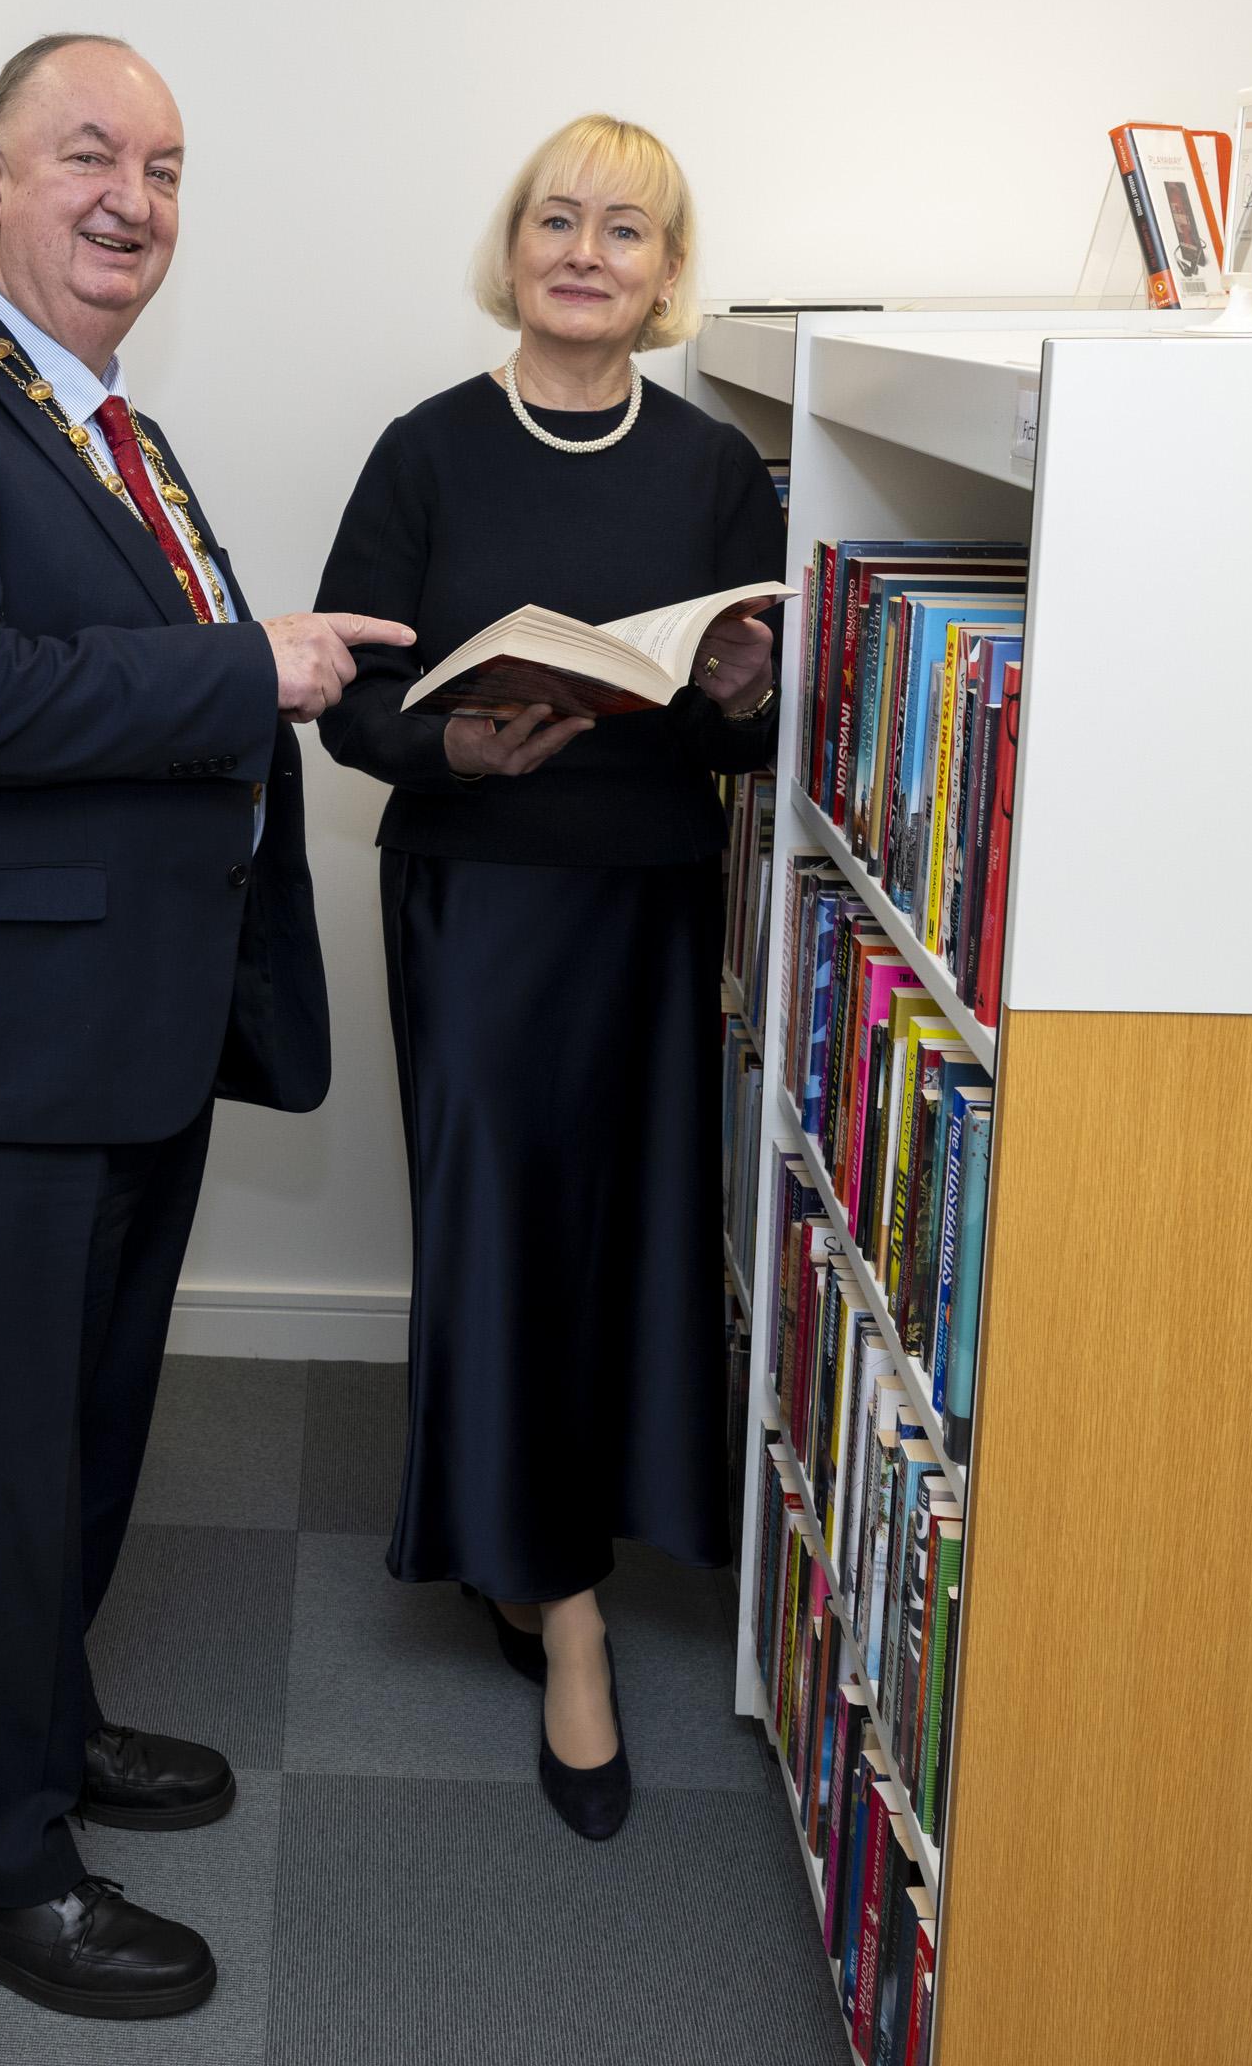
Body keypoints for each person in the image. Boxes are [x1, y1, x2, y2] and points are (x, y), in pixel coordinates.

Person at [0, 33, 413, 2017]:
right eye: (86, 154)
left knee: (74, 1438)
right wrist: (253, 666)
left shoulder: (108, 432)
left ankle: (36, 1732)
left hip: (118, 1034)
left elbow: (112, 679)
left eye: (162, 164)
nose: (131, 196)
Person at [311, 114, 783, 1841]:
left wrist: (735, 692)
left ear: (667, 277)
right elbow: (352, 698)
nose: (588, 253)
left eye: (628, 233)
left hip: (647, 908)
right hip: (480, 907)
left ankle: (535, 1552)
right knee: (503, 1241)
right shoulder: (427, 452)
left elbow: (758, 744)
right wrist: (456, 746)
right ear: (513, 247)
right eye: (558, 220)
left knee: (628, 1249)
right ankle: (565, 1623)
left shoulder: (716, 466)